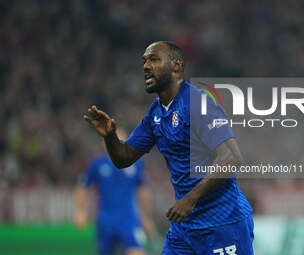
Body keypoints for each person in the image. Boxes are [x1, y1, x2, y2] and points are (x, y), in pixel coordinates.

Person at [84, 41, 254, 255]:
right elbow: (124, 158)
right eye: (144, 61)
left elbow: (231, 157)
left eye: (154, 59)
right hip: (184, 229)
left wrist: (190, 199)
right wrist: (110, 137)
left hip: (222, 223)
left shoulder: (197, 102)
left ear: (176, 66)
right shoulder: (156, 113)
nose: (146, 66)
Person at [74, 128, 155, 255]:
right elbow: (82, 186)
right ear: (105, 142)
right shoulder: (97, 164)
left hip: (129, 219)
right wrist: (80, 212)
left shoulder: (136, 164)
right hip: (105, 220)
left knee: (136, 251)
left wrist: (146, 217)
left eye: (120, 140)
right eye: (113, 140)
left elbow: (142, 190)